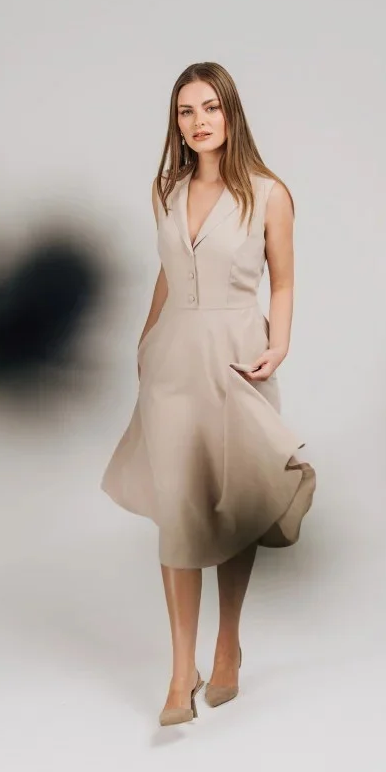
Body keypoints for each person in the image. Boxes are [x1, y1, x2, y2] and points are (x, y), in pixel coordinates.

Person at [100, 62, 316, 727]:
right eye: (186, 110)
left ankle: (227, 646)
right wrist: (145, 341)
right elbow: (168, 274)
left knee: (232, 501)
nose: (198, 122)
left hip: (238, 357)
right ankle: (179, 672)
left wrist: (280, 342)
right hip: (172, 362)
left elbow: (283, 279)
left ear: (231, 113)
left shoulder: (269, 194)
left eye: (210, 107)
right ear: (177, 122)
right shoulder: (166, 191)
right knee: (179, 510)